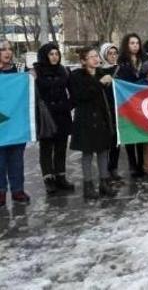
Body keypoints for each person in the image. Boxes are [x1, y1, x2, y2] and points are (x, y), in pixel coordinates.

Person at [69, 47, 118, 200]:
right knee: (87, 153)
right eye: (91, 57)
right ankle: (88, 185)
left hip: (102, 118)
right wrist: (100, 84)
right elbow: (80, 96)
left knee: (103, 151)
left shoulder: (102, 73)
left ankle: (104, 182)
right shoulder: (77, 76)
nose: (95, 59)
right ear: (83, 61)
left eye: (96, 56)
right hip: (85, 119)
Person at [34, 43, 75, 194]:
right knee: (46, 148)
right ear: (45, 55)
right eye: (51, 54)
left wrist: (67, 106)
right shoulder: (36, 71)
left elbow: (73, 92)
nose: (54, 57)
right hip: (46, 116)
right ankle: (48, 179)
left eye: (56, 54)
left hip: (62, 115)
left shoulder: (64, 70)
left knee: (61, 147)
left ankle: (60, 176)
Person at [0, 39, 31, 207]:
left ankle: (18, 190)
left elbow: (32, 85)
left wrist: (32, 76)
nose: (7, 52)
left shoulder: (19, 69)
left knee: (17, 160)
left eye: (10, 49)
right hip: (0, 124)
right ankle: (1, 192)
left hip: (16, 123)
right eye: (3, 49)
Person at [117, 33, 148, 178]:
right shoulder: (122, 61)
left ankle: (142, 163)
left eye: (137, 43)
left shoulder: (145, 59)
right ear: (126, 45)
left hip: (142, 102)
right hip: (127, 101)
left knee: (141, 132)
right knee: (130, 133)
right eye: (132, 43)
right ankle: (132, 164)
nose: (135, 46)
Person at [99, 43, 123, 181]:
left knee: (116, 140)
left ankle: (113, 167)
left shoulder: (119, 69)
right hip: (104, 109)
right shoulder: (99, 71)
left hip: (118, 109)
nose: (113, 56)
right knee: (106, 141)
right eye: (110, 53)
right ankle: (104, 171)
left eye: (115, 53)